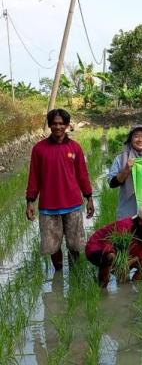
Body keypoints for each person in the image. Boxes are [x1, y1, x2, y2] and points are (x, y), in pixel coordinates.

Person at [26, 109, 95, 270]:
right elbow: (33, 177)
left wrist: (89, 197)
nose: (58, 127)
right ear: (50, 125)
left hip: (73, 205)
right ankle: (58, 276)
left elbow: (82, 175)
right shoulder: (39, 149)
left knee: (75, 244)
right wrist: (30, 201)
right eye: (54, 123)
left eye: (61, 123)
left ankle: (75, 275)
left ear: (67, 125)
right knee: (52, 246)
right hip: (48, 206)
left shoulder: (75, 148)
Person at [85, 203, 142, 288]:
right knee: (108, 268)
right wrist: (116, 261)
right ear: (141, 221)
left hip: (121, 254)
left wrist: (128, 262)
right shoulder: (125, 226)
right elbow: (109, 244)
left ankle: (133, 290)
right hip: (97, 248)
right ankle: (102, 289)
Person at [108, 125, 142, 219]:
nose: (140, 139)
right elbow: (112, 183)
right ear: (130, 139)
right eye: (136, 136)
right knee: (127, 233)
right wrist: (126, 170)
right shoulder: (121, 158)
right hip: (127, 211)